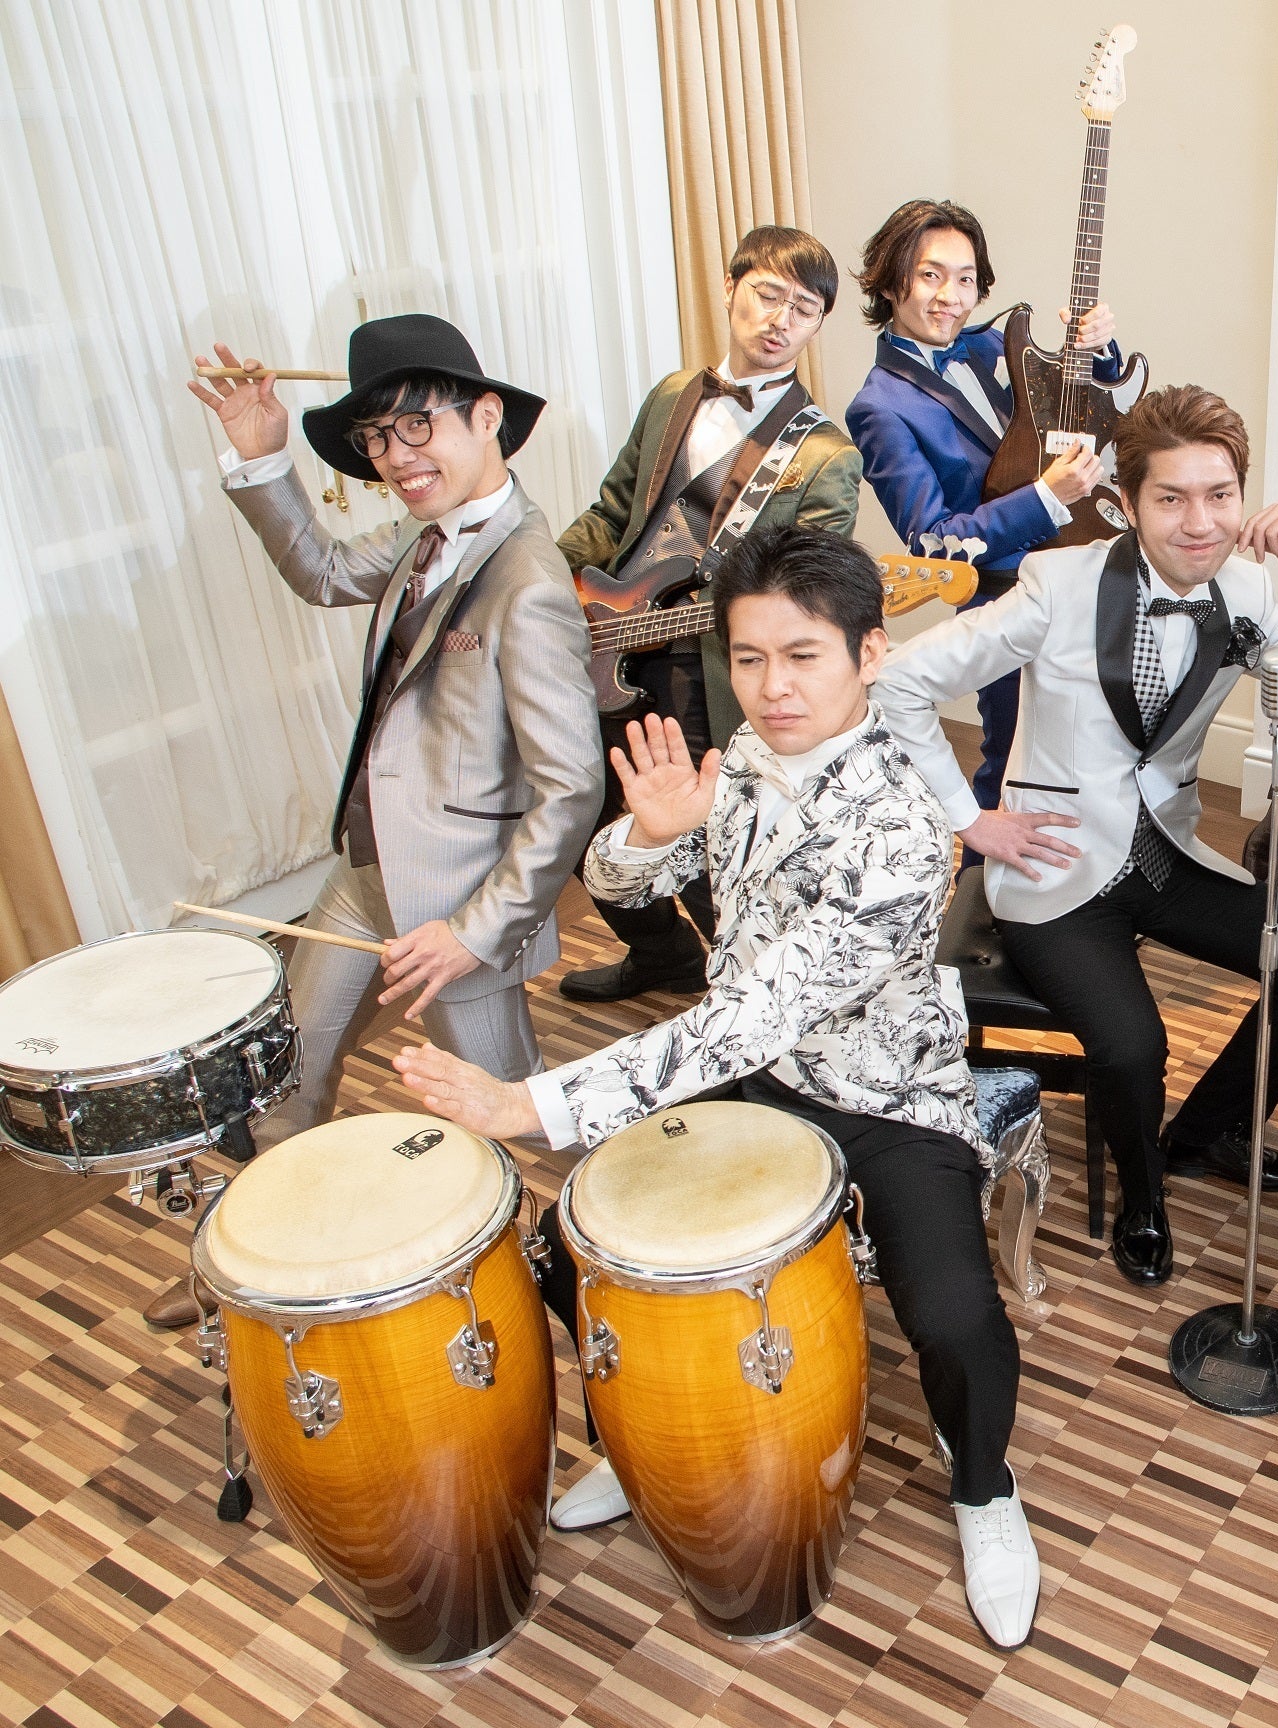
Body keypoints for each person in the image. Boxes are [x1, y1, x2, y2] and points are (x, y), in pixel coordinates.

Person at [393, 523, 1041, 1652]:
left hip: (883, 1095)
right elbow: (618, 882)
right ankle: (639, 1428)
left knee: (953, 1317)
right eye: (749, 659)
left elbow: (749, 1012)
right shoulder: (743, 753)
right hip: (752, 1077)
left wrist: (530, 1105)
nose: (773, 686)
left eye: (802, 656)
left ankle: (984, 1483)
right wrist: (651, 838)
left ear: (870, 653)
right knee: (568, 1253)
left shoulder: (901, 825)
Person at [873, 385, 1278, 1287]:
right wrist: (970, 820)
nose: (1200, 523)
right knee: (1133, 1045)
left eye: (1220, 495)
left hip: (1163, 852)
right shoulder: (1056, 585)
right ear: (1126, 503)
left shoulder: (1246, 591)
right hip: (1056, 865)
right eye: (1172, 498)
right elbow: (899, 684)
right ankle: (1143, 1197)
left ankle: (1207, 1134)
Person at [156, 317, 601, 1332]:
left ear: (487, 417)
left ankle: (626, 1253)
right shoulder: (420, 536)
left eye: (417, 427)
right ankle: (253, 1268)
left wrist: (474, 934)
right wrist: (261, 456)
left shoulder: (528, 581)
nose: (397, 458)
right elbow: (318, 571)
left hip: (456, 910)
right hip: (363, 876)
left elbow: (570, 789)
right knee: (288, 1074)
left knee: (511, 1108)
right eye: (376, 439)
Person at [556, 224, 862, 1003]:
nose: (780, 320)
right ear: (730, 288)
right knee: (585, 816)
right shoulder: (671, 395)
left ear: (818, 324)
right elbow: (614, 511)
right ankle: (661, 955)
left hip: (708, 670)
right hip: (605, 642)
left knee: (704, 840)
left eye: (803, 309)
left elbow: (809, 592)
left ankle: (747, 999)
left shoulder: (825, 454)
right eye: (767, 294)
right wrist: (549, 588)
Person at [844, 199, 1129, 820]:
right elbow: (933, 543)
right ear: (891, 282)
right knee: (1012, 757)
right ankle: (980, 874)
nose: (951, 296)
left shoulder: (994, 345)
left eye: (966, 279)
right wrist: (1047, 497)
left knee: (1095, 744)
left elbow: (1079, 399)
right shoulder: (879, 407)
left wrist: (1098, 348)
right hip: (1003, 599)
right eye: (930, 275)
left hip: (1082, 572)